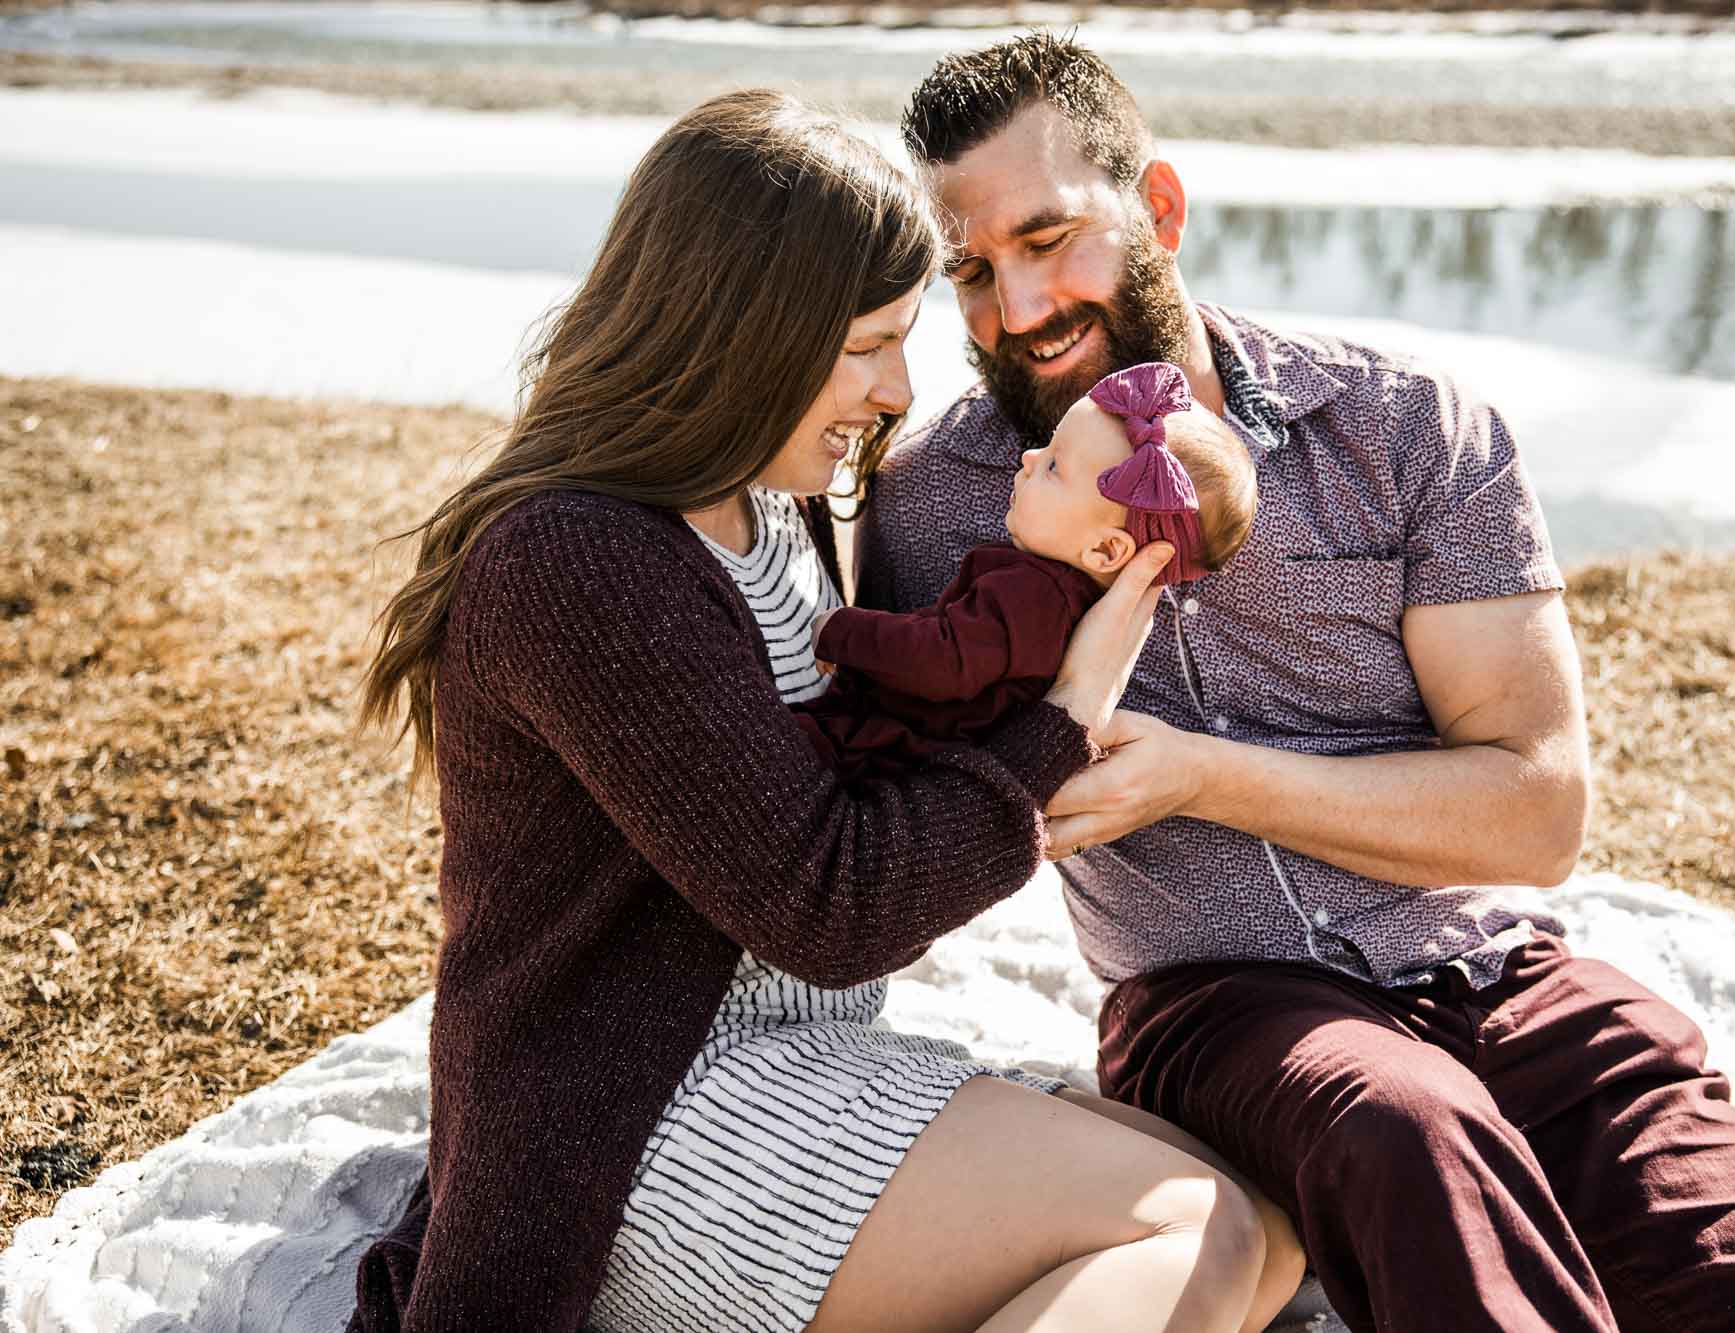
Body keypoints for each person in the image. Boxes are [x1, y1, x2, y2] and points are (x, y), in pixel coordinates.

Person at [861, 33, 1735, 1333]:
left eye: (1052, 240)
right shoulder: (930, 505)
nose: (1018, 309)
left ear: (1157, 209)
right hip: (1216, 1008)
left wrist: (1208, 778)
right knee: (1403, 1125)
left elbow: (1538, 811)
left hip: (1494, 966)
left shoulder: (1407, 429)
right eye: (974, 272)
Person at [348, 88, 1304, 1333]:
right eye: (864, 347)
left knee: (1263, 1230)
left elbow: (862, 777)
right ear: (735, 332)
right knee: (1193, 1232)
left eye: (903, 340)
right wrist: (1066, 710)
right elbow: (834, 907)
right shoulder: (577, 561)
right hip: (639, 1113)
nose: (897, 390)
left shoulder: (770, 505)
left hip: (803, 1055)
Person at [797, 360, 1255, 780]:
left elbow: (943, 659)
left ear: (1104, 549)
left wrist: (842, 631)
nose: (1029, 457)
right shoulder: (1064, 600)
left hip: (884, 748)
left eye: (1054, 464)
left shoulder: (1034, 595)